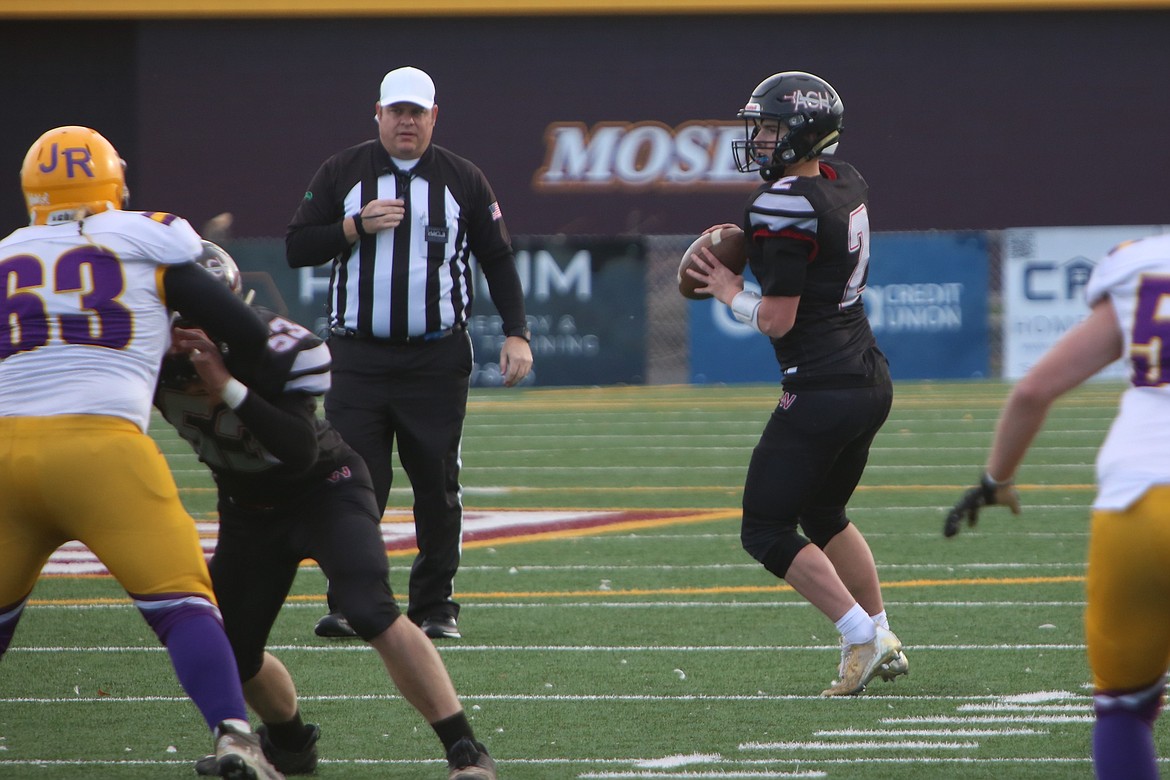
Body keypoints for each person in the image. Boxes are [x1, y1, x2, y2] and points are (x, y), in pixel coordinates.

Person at [0, 126, 283, 779]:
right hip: (100, 449)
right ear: (112, 184)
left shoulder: (10, 251)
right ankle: (235, 736)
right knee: (185, 605)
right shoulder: (150, 238)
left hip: (8, 454)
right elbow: (247, 329)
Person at [159, 242, 497, 779]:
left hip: (325, 488)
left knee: (368, 607)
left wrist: (226, 385)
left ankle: (465, 750)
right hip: (248, 509)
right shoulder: (139, 352)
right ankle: (289, 743)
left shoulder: (277, 348)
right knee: (229, 650)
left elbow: (298, 448)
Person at [286, 65, 533, 641]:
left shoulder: (463, 179)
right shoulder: (343, 172)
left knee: (436, 483)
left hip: (435, 358)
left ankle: (435, 603)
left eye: (416, 112)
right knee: (351, 481)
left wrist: (517, 331)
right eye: (396, 111)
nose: (406, 121)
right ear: (378, 114)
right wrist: (351, 226)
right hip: (357, 357)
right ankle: (354, 599)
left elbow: (497, 257)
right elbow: (298, 245)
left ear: (433, 117)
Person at [685, 72, 907, 696]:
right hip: (869, 376)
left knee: (764, 528)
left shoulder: (782, 203)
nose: (757, 138)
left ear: (802, 132)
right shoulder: (847, 181)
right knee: (825, 511)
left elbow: (777, 317)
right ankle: (880, 635)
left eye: (770, 127)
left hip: (821, 385)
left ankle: (861, 636)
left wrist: (729, 292)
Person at [944, 234, 1170, 780]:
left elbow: (1033, 391)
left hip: (1140, 498)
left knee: (1123, 708)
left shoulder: (1145, 261)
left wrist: (996, 479)